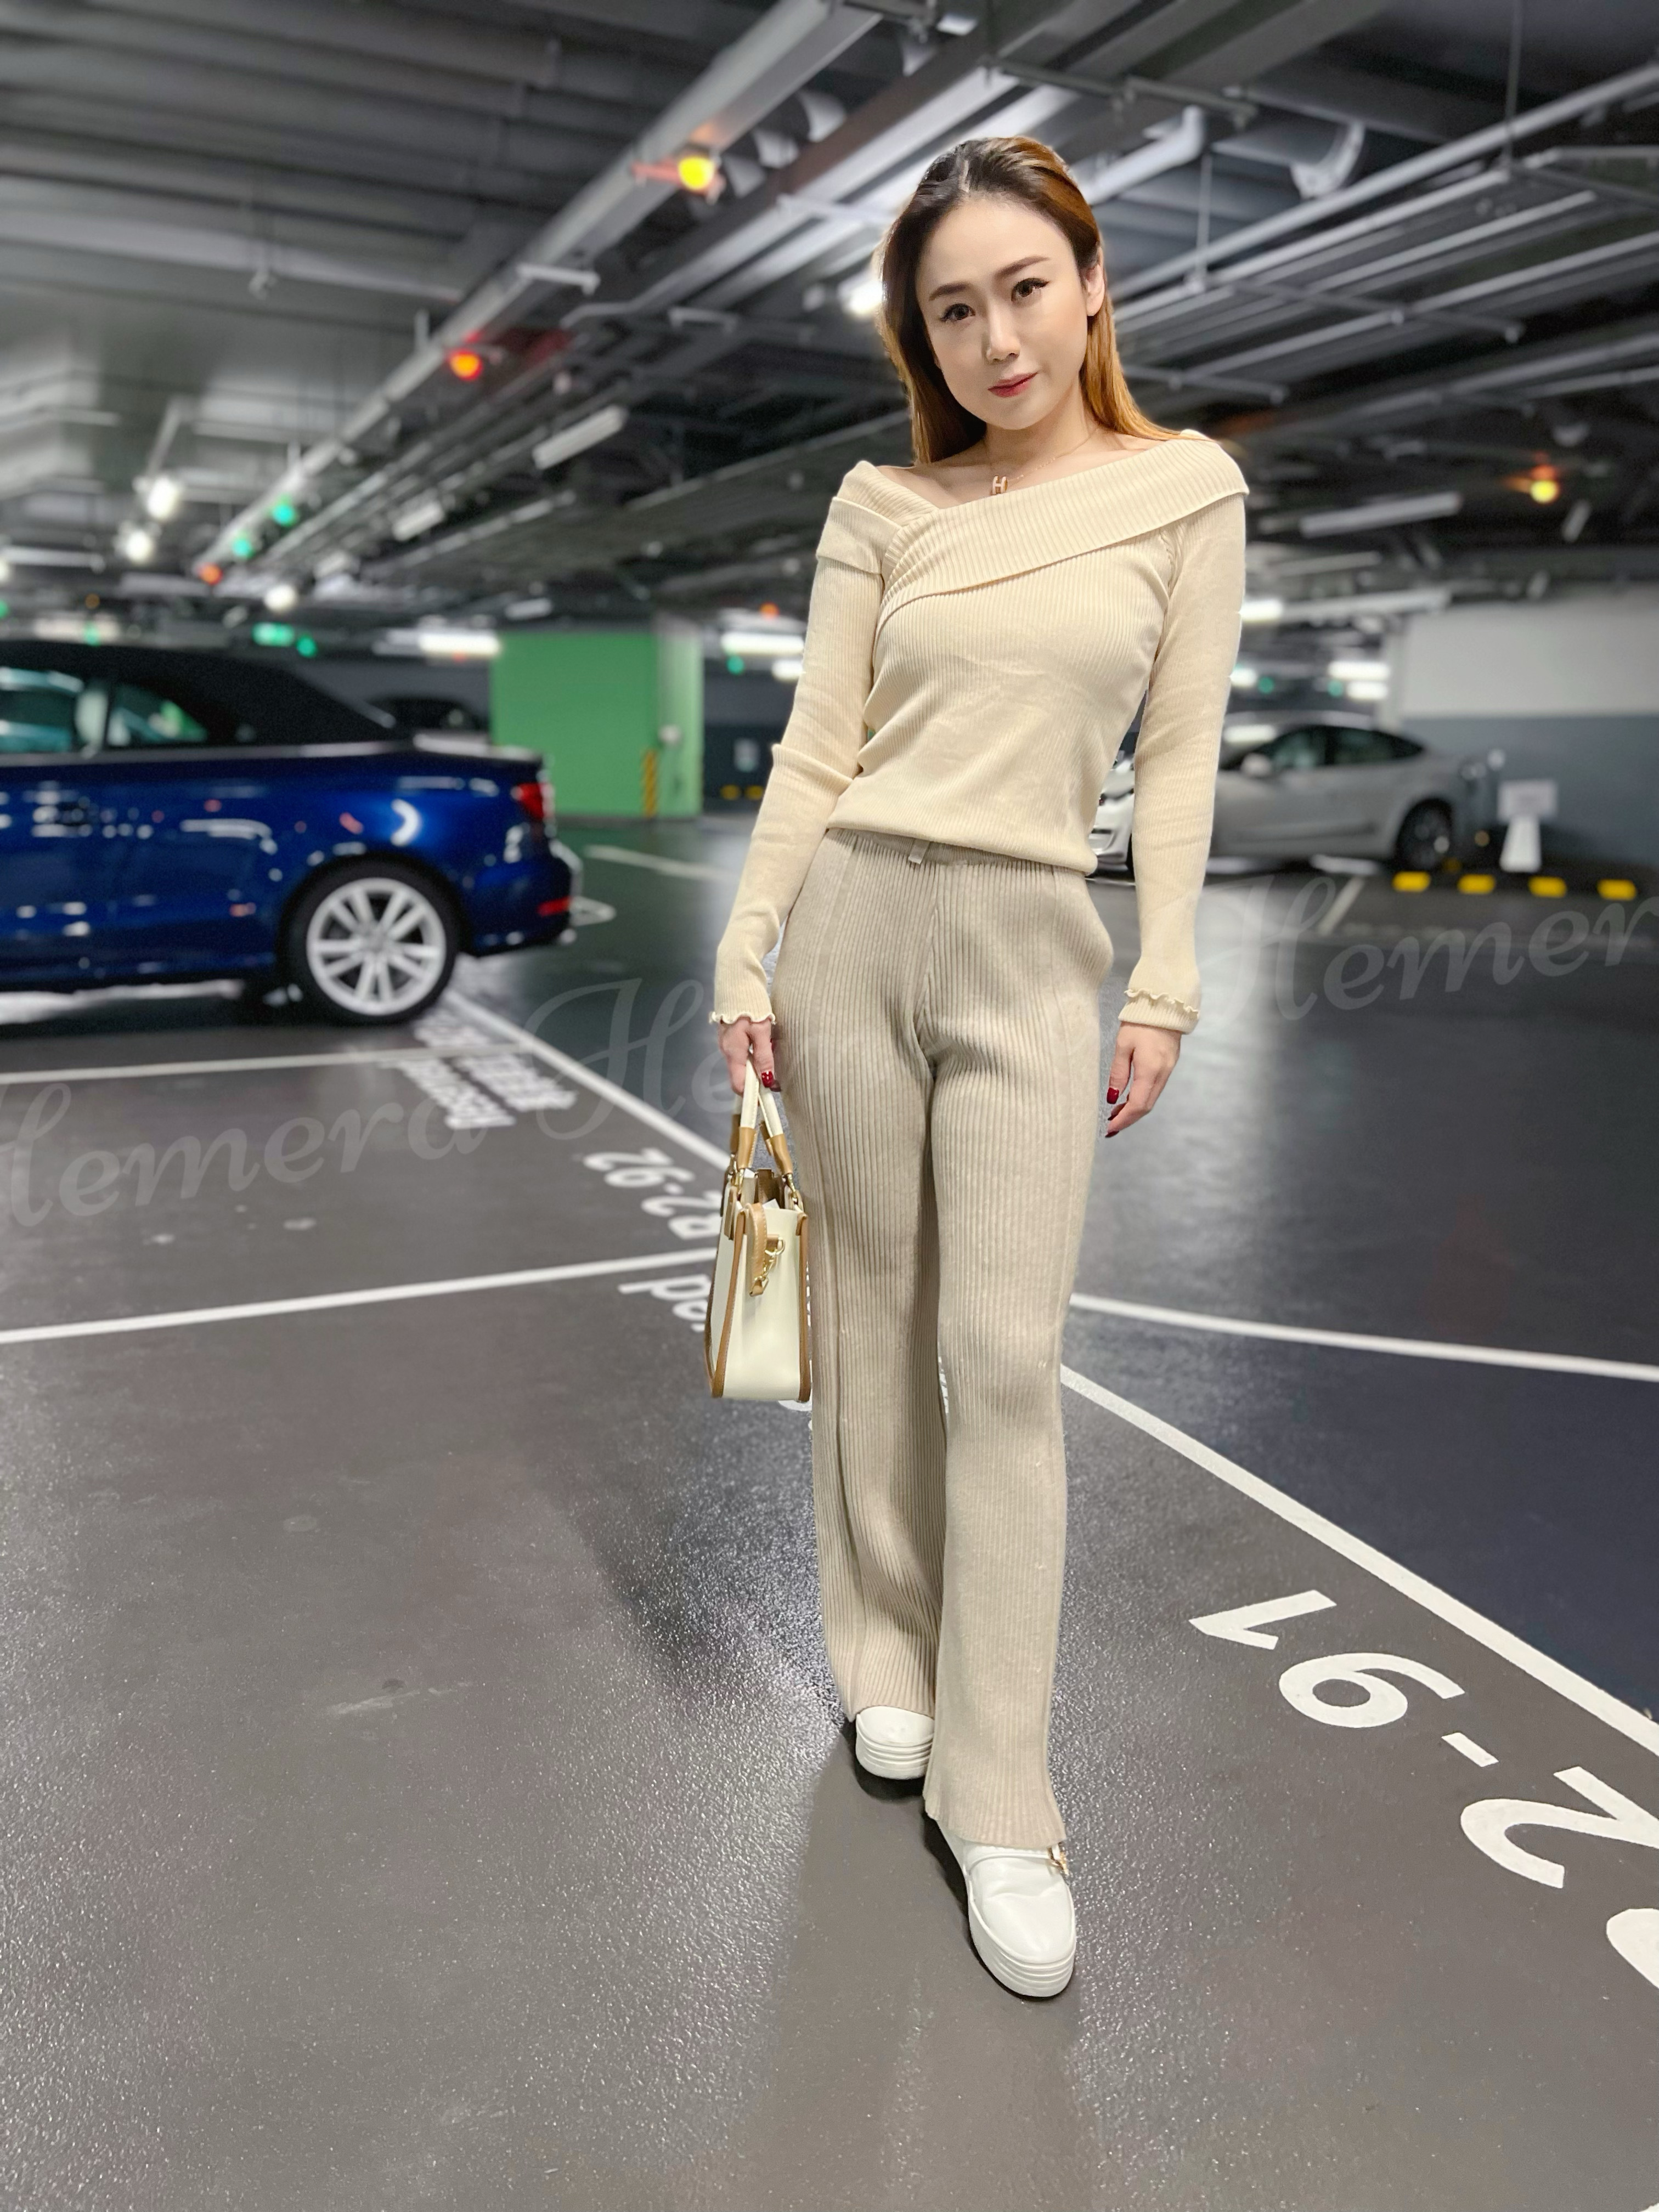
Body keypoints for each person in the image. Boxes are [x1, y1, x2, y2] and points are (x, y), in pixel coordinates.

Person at [709, 135, 1246, 1999]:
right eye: (953, 311)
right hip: (853, 926)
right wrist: (746, 945)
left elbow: (1179, 754)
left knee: (1006, 1361)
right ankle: (888, 1661)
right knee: (866, 1323)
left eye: (1024, 288)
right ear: (919, 338)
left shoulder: (1186, 492)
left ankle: (1003, 1795)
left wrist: (1164, 979)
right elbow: (816, 744)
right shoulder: (885, 505)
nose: (997, 338)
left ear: (1090, 284)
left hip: (1033, 952)